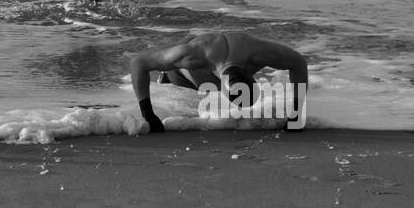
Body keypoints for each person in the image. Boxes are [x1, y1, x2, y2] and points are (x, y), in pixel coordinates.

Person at [129, 31, 308, 132]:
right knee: (178, 81)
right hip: (181, 71)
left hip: (221, 49)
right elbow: (138, 62)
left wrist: (297, 113)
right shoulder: (191, 56)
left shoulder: (259, 53)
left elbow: (298, 62)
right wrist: (148, 115)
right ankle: (167, 77)